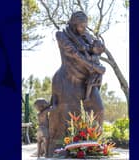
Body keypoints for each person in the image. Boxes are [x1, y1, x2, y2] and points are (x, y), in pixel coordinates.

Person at [47, 11, 106, 157]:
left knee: (99, 109)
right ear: (73, 23)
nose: (84, 28)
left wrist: (98, 69)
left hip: (87, 82)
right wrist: (95, 67)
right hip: (68, 79)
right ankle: (64, 150)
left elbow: (97, 52)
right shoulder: (62, 35)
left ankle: (97, 147)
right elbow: (73, 53)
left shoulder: (88, 36)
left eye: (86, 25)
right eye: (81, 25)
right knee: (69, 118)